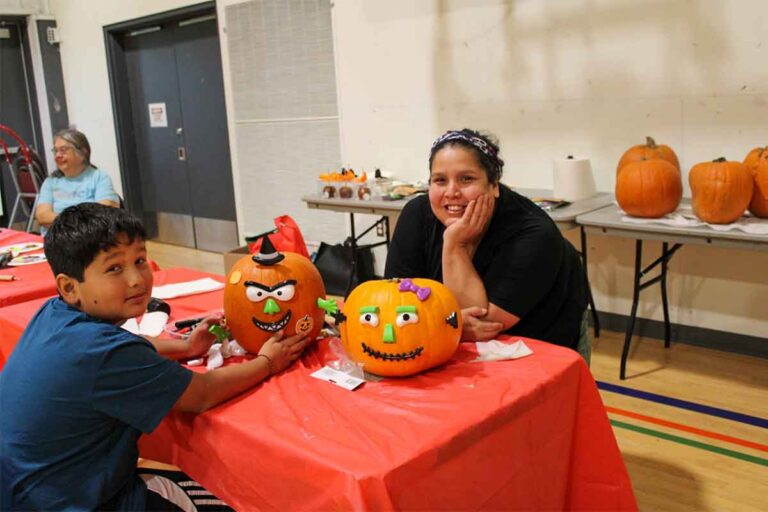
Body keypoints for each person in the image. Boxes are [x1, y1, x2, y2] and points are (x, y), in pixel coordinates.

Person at [0, 203, 308, 511]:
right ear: (69, 287)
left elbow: (127, 346)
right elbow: (201, 393)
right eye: (114, 268)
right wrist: (268, 362)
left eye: (140, 260)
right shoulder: (104, 353)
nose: (136, 279)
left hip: (24, 490)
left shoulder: (54, 314)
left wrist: (186, 347)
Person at [384, 128, 589, 358]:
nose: (451, 192)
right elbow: (397, 300)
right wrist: (449, 322)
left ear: (493, 185)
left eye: (466, 179)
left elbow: (483, 324)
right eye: (440, 180)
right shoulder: (416, 214)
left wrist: (454, 244)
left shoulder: (535, 233)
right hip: (449, 347)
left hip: (540, 345)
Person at [35, 128, 120, 230]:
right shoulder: (50, 182)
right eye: (55, 151)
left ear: (82, 153)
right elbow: (42, 217)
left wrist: (63, 221)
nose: (57, 155)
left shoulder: (99, 177)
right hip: (56, 240)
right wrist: (76, 221)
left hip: (91, 238)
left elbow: (104, 212)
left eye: (63, 150)